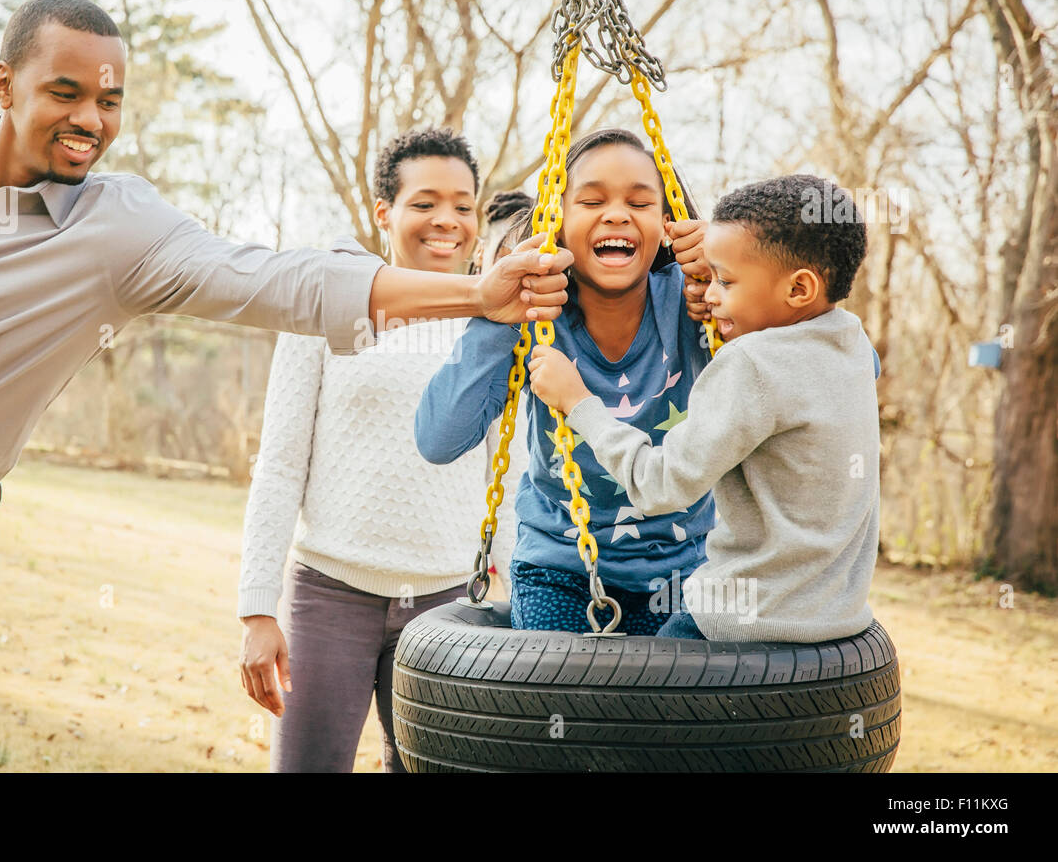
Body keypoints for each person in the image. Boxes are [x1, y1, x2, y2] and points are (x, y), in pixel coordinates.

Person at [0, 0, 571, 772]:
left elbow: (283, 281)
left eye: (110, 101)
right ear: (3, 85)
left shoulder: (120, 232)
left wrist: (475, 293)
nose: (91, 120)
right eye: (67, 92)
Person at [238, 128, 527, 773]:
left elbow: (506, 473)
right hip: (330, 596)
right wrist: (258, 609)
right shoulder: (327, 310)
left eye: (462, 205)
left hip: (452, 606)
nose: (446, 221)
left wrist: (506, 586)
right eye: (424, 203)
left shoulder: (498, 323)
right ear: (384, 212)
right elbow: (280, 464)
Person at [528, 173, 879, 642]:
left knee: (626, 709)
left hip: (729, 624)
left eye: (725, 280)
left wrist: (579, 402)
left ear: (799, 290)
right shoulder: (853, 345)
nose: (708, 294)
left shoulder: (751, 363)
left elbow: (658, 485)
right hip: (836, 624)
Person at [416, 127, 713, 634]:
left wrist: (732, 276)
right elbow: (438, 439)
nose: (616, 214)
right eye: (592, 199)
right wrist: (497, 317)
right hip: (558, 569)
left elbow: (840, 361)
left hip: (682, 572)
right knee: (561, 705)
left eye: (639, 203)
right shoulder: (537, 316)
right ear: (557, 222)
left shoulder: (695, 303)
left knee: (669, 708)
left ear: (668, 225)